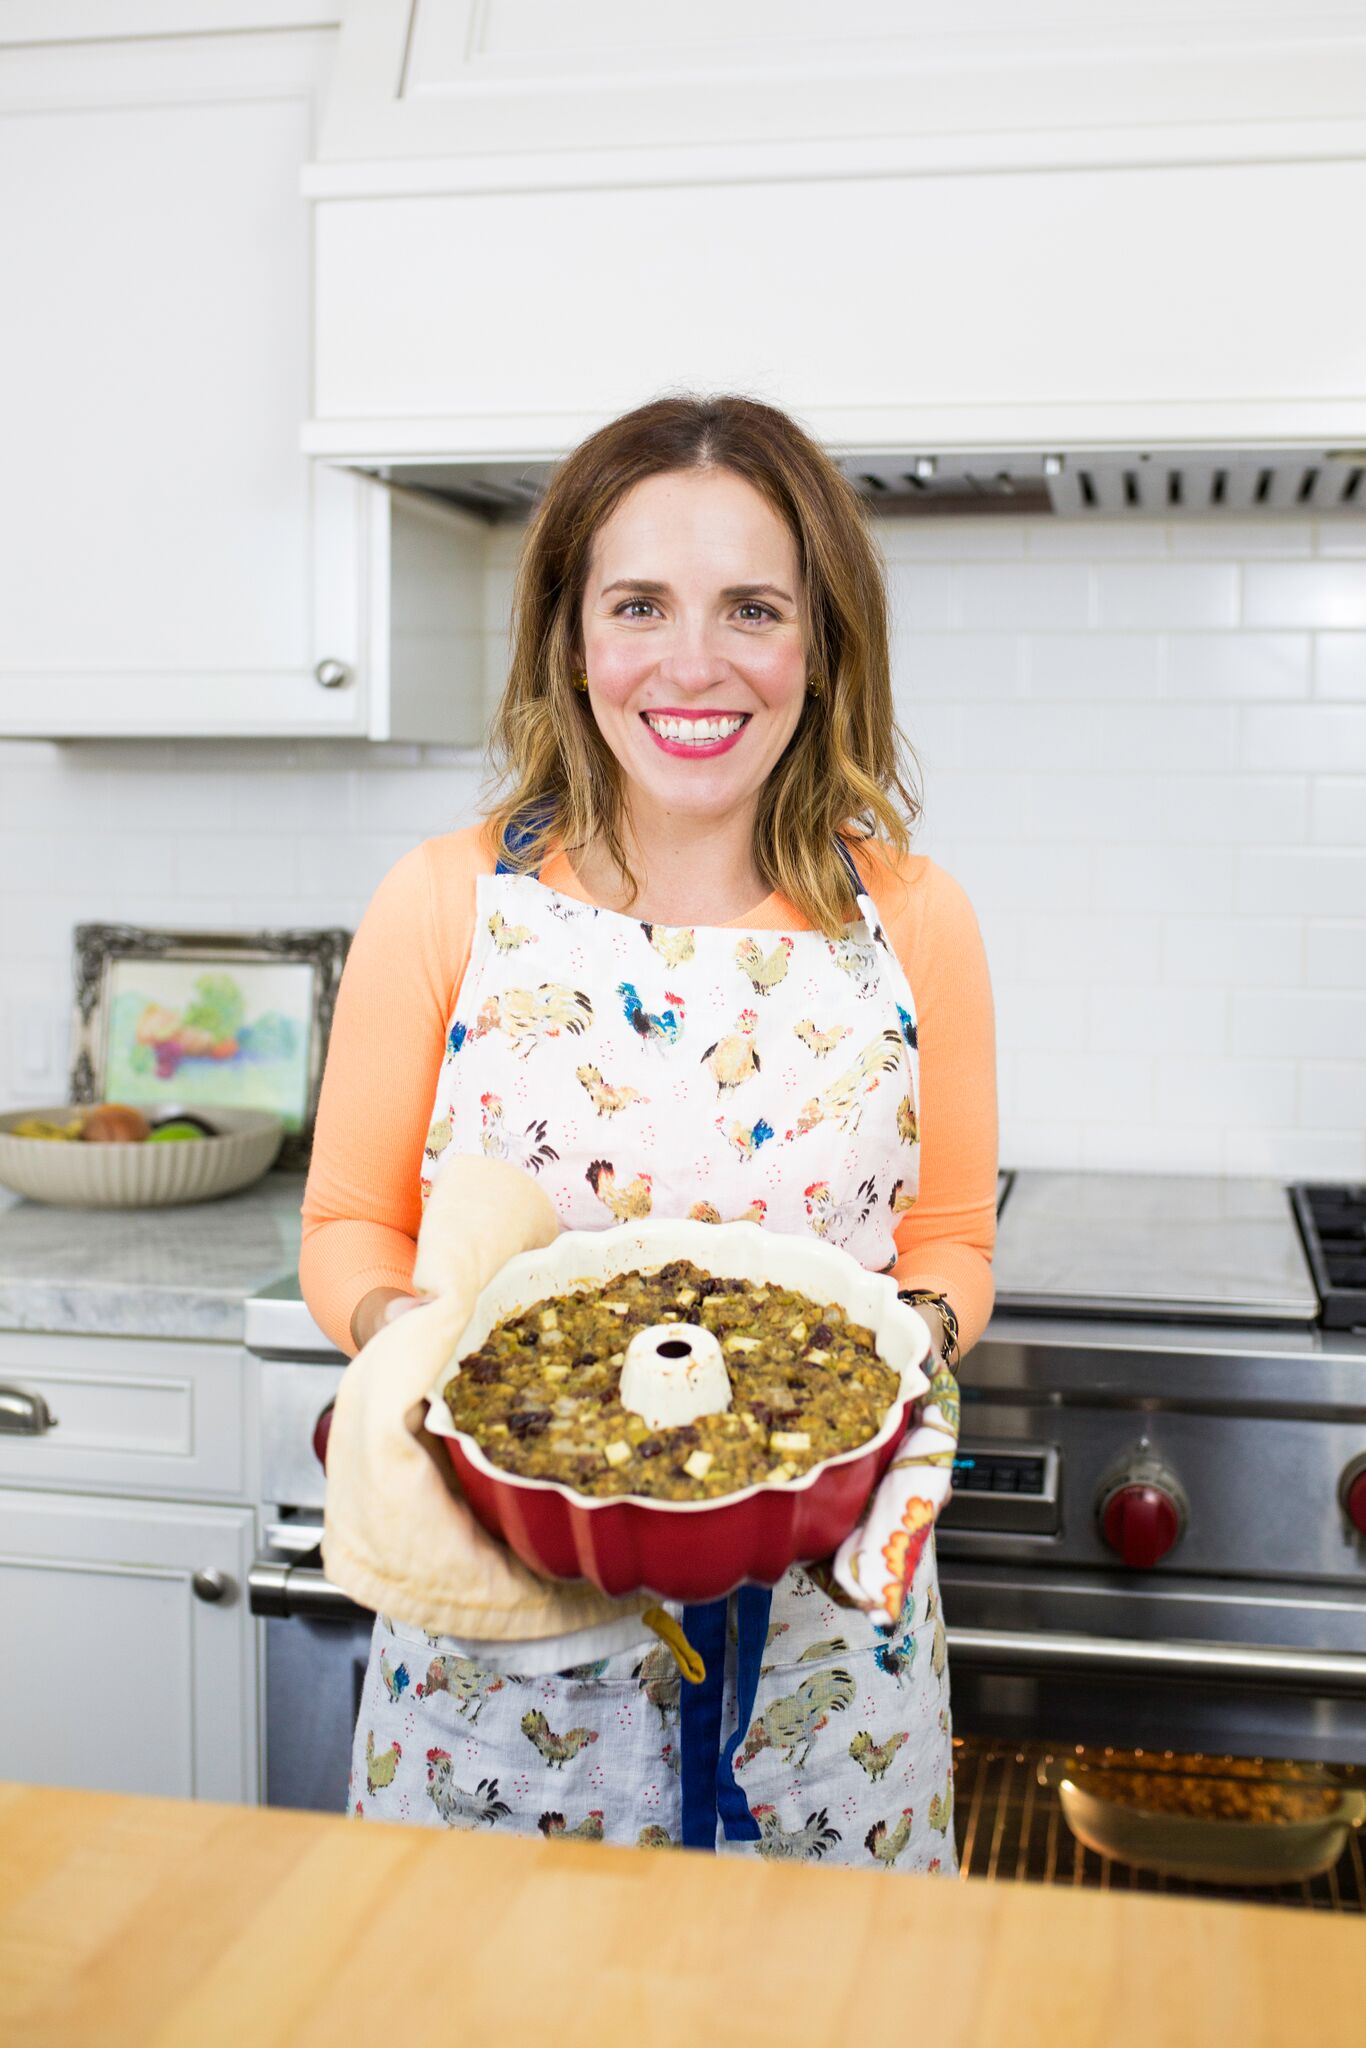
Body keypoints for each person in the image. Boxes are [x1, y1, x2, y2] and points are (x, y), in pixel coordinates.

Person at [300, 392, 997, 1868]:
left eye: (753, 607)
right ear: (570, 639)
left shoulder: (914, 920)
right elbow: (347, 1229)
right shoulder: (442, 902)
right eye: (639, 604)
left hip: (827, 1671)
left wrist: (897, 1375)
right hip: (500, 1671)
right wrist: (406, 1342)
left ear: (820, 647)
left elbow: (944, 1239)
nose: (694, 663)